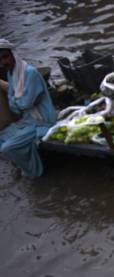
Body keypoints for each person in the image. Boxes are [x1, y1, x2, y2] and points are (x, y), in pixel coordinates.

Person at [0, 40, 57, 178]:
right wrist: (19, 100)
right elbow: (16, 104)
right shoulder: (11, 73)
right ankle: (27, 160)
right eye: (0, 59)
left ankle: (35, 172)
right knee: (2, 136)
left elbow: (23, 104)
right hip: (28, 119)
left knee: (7, 148)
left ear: (13, 55)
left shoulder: (30, 73)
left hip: (42, 120)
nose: (3, 62)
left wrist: (17, 100)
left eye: (5, 57)